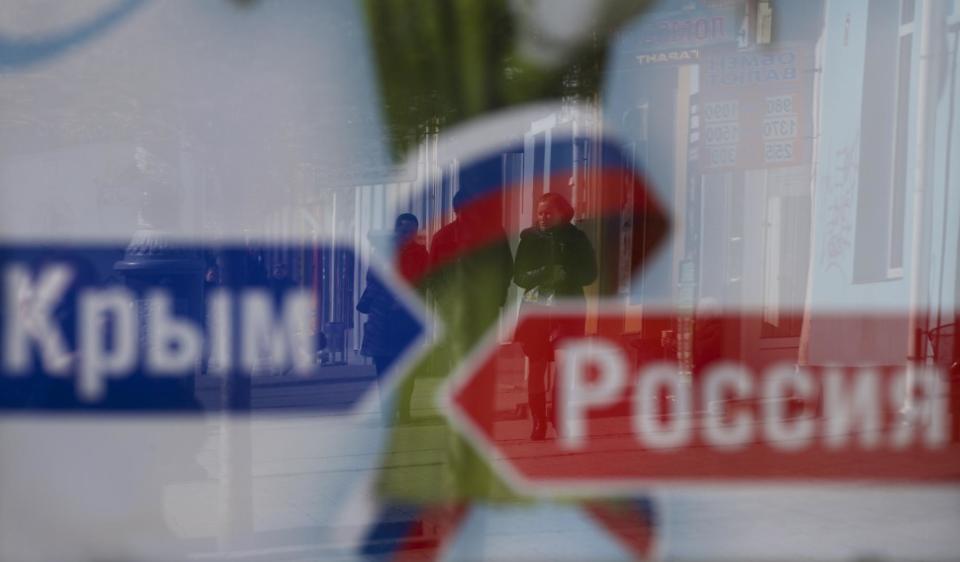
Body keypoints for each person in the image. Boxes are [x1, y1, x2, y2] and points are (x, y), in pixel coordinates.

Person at [513, 192, 597, 440]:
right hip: (536, 312)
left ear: (562, 213)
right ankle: (538, 422)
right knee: (536, 367)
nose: (543, 217)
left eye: (548, 212)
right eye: (540, 213)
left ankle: (559, 416)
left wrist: (567, 274)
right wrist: (545, 273)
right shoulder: (529, 239)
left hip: (566, 311)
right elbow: (519, 276)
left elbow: (590, 273)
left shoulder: (577, 238)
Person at [358, 213, 430, 423]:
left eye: (412, 231)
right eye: (404, 230)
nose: (408, 234)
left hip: (408, 320)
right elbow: (373, 279)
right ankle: (387, 413)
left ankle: (405, 411)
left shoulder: (420, 253)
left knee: (409, 369)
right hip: (383, 319)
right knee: (384, 369)